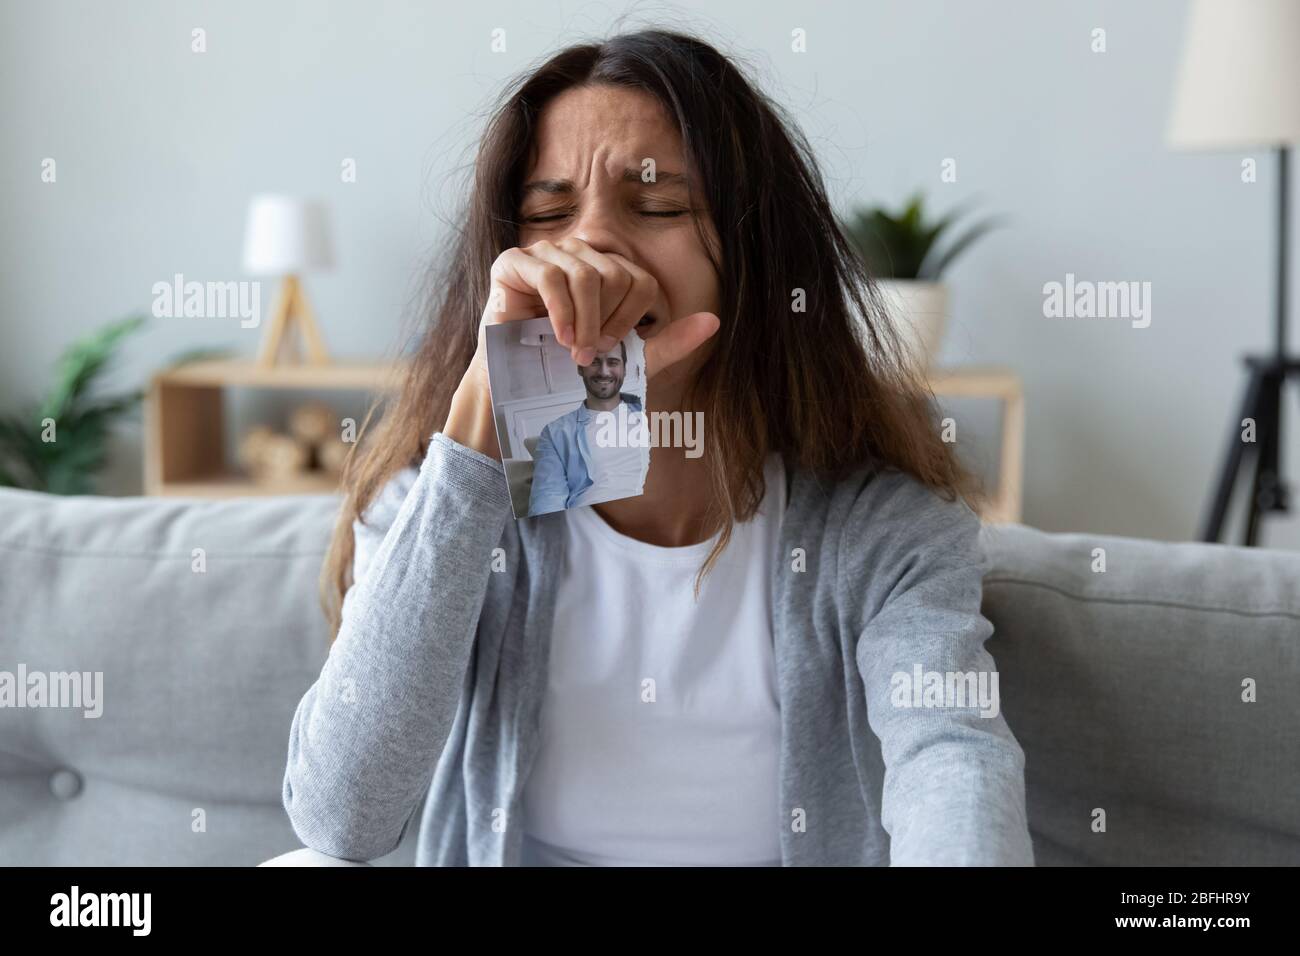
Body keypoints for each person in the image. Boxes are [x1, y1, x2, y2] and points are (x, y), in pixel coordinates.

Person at [284, 29, 1033, 867]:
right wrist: (485, 423)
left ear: (751, 258)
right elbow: (342, 818)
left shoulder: (880, 532)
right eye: (548, 213)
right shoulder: (449, 506)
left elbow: (954, 760)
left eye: (659, 206)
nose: (591, 246)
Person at [528, 339, 649, 515]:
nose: (604, 372)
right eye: (594, 362)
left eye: (613, 362)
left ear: (624, 368)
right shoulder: (556, 433)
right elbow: (547, 499)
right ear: (580, 368)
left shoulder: (653, 411)